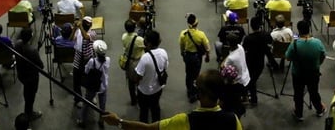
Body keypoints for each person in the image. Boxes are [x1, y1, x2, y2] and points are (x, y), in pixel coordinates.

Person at [100, 68, 241, 130]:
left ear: (200, 94)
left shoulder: (184, 120)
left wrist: (118, 122)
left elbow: (148, 129)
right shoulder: (233, 120)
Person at [285, 19, 326, 121]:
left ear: (299, 31)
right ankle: (319, 109)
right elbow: (323, 56)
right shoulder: (318, 43)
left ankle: (299, 113)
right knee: (314, 92)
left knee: (298, 93)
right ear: (309, 30)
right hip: (313, 73)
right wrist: (318, 64)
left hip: (298, 74)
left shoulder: (294, 44)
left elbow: (288, 58)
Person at [132, 30, 169, 123]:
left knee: (144, 111)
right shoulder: (163, 52)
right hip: (157, 89)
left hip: (144, 91)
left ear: (148, 43)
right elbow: (165, 67)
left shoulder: (145, 58)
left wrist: (136, 83)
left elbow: (138, 76)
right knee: (155, 107)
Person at [179, 14, 211, 103]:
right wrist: (207, 56)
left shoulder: (183, 34)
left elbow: (181, 46)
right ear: (196, 24)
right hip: (197, 57)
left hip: (188, 56)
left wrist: (182, 54)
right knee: (196, 74)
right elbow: (207, 48)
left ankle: (189, 90)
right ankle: (195, 91)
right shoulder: (201, 35)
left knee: (188, 73)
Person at [13, 27, 44, 121]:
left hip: (21, 74)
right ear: (30, 37)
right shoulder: (32, 50)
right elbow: (41, 66)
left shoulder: (17, 44)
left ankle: (28, 111)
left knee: (27, 93)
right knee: (30, 95)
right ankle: (29, 113)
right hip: (31, 77)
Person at [79, 39, 110, 128]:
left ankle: (82, 120)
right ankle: (101, 120)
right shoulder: (108, 60)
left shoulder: (92, 61)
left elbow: (86, 70)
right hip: (103, 86)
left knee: (86, 103)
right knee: (102, 105)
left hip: (92, 86)